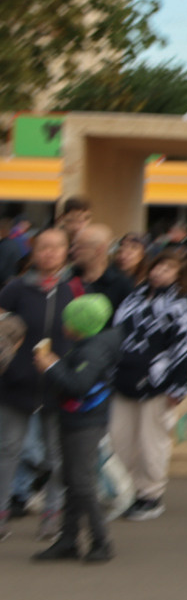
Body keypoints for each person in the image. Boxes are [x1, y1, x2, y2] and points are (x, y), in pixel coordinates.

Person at [0, 229, 84, 540]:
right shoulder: (16, 288)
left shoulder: (74, 289)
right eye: (44, 247)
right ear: (34, 252)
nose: (49, 253)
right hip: (15, 384)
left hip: (57, 384)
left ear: (66, 252)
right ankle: (1, 513)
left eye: (56, 247)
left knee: (54, 455)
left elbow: (85, 333)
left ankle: (52, 514)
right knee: (7, 450)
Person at [109, 247, 187, 522]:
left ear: (178, 275)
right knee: (119, 439)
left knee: (153, 443)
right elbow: (117, 335)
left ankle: (149, 495)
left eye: (168, 269)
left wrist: (180, 385)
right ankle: (122, 491)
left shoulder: (181, 306)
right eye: (157, 266)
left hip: (158, 383)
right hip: (123, 380)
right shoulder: (132, 299)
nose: (159, 272)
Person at [29, 293, 123, 562]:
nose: (63, 326)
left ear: (80, 326)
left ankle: (101, 541)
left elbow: (78, 386)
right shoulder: (90, 344)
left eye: (68, 322)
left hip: (86, 421)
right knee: (72, 480)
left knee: (82, 483)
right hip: (76, 419)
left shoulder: (92, 350)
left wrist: (53, 366)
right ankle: (68, 539)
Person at [73, 229, 137, 311]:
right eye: (73, 246)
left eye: (80, 247)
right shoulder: (69, 278)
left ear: (99, 249)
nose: (73, 251)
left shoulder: (121, 284)